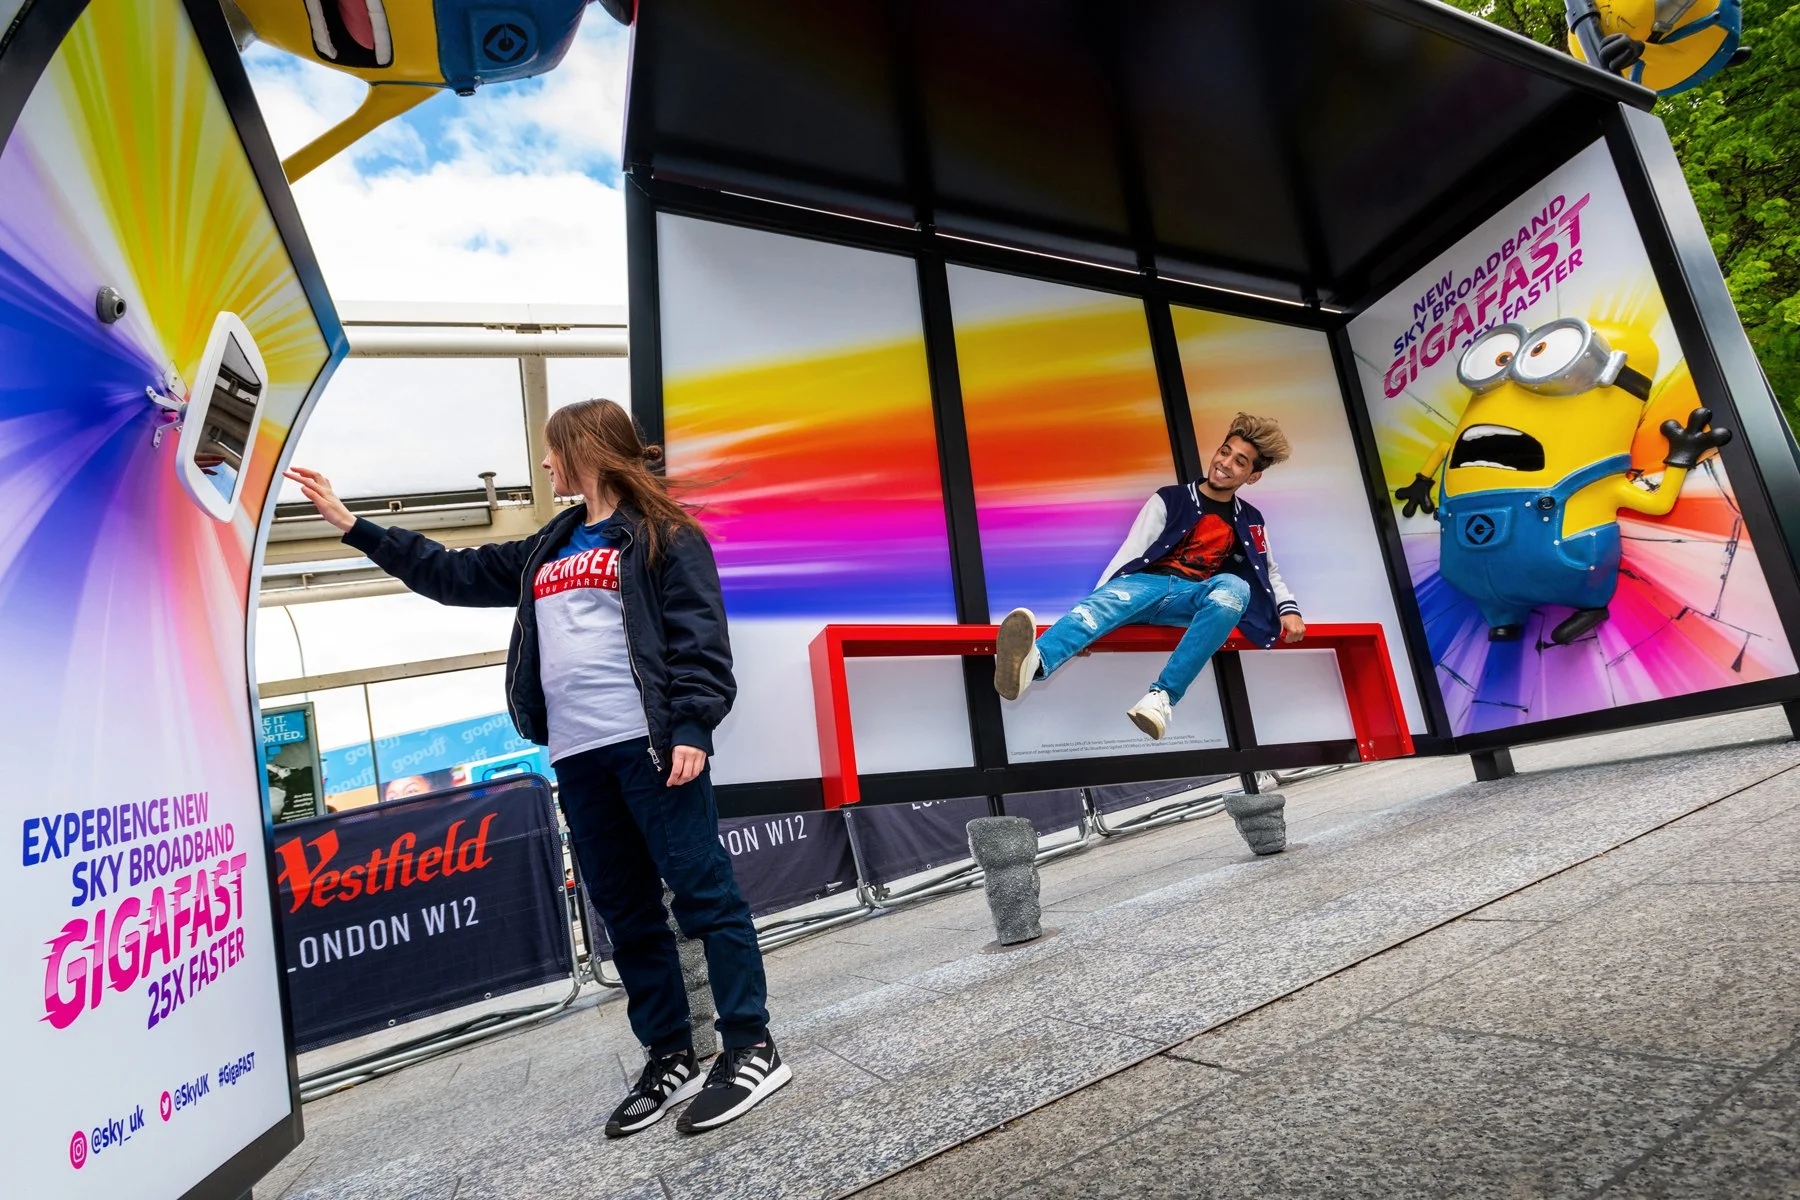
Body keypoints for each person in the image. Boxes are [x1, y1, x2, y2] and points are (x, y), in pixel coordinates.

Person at [284, 398, 789, 1137]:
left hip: (650, 747)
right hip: (577, 756)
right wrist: (354, 526)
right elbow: (451, 574)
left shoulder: (663, 534)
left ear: (585, 449)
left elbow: (699, 636)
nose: (545, 462)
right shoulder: (548, 545)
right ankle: (670, 1055)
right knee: (627, 915)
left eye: (553, 450)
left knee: (705, 897)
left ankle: (751, 1046)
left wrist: (691, 726)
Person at [993, 413, 1305, 738]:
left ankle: (1161, 699)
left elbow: (1268, 571)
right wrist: (1092, 623)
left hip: (1190, 598)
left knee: (1236, 587)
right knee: (1114, 597)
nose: (1225, 463)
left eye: (1239, 462)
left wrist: (1289, 609)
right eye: (1224, 451)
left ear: (1252, 476)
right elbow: (1129, 554)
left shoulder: (1251, 519)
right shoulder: (1170, 498)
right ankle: (1034, 662)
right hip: (1144, 587)